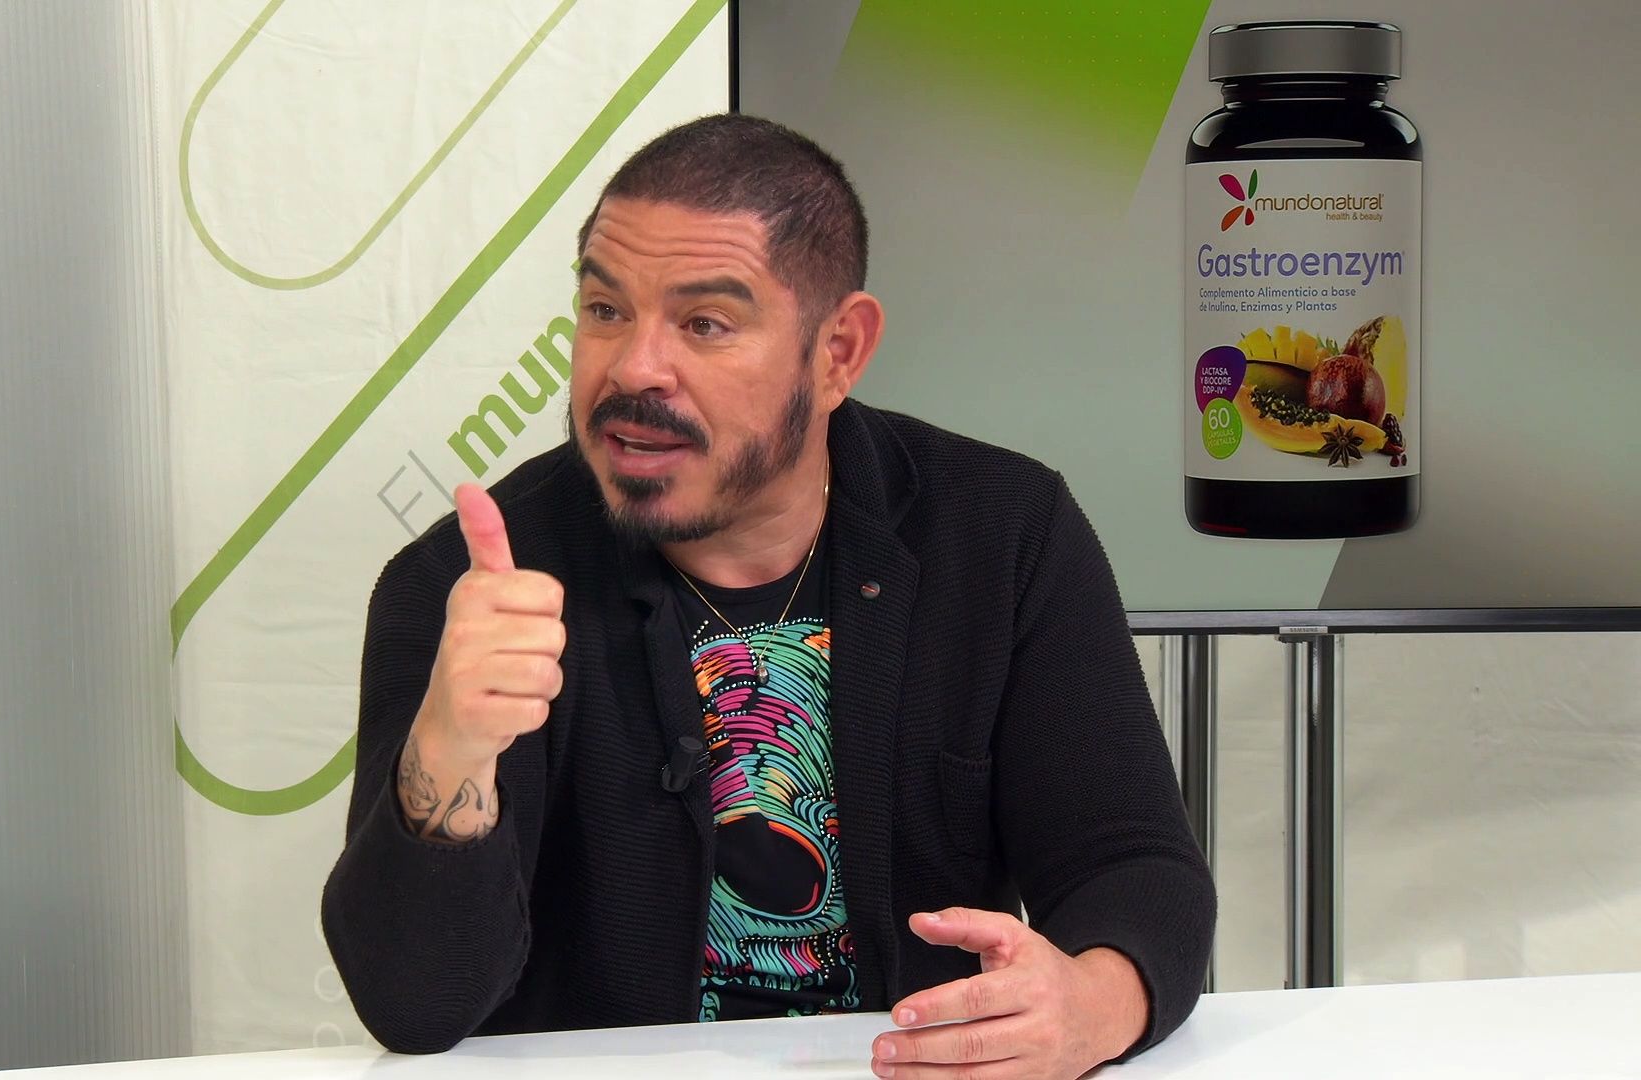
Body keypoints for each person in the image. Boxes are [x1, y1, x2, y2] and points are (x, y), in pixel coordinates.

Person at [322, 114, 1215, 1079]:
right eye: (605, 309)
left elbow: (1136, 872)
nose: (633, 368)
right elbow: (414, 1006)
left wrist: (1090, 1006)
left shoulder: (1000, 533)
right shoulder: (469, 587)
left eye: (704, 323)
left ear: (838, 353)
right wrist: (451, 752)